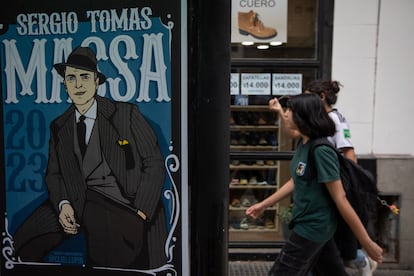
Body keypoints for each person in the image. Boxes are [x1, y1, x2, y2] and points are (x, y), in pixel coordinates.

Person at [12, 46, 168, 269]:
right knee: (21, 241)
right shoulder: (59, 126)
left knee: (109, 258)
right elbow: (54, 174)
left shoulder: (126, 114)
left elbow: (154, 164)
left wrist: (140, 213)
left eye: (84, 77)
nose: (78, 85)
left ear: (96, 82)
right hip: (76, 203)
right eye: (71, 78)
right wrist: (63, 204)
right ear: (64, 84)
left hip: (123, 205)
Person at [246, 94, 383, 276]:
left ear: (303, 116)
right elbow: (296, 180)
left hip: (312, 227)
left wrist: (366, 242)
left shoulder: (321, 151)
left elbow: (340, 198)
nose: (286, 114)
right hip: (314, 226)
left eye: (290, 110)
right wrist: (264, 204)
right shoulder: (304, 143)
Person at [304, 80, 377, 275]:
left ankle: (361, 260)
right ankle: (358, 260)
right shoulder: (329, 118)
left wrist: (346, 187)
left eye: (309, 95)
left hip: (333, 185)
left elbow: (349, 153)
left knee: (332, 238)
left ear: (321, 97)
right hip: (327, 184)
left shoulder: (333, 120)